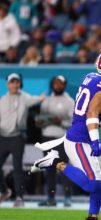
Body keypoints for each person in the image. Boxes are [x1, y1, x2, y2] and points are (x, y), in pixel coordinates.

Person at [31, 48, 101, 220]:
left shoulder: (92, 78)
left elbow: (98, 112)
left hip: (86, 134)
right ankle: (54, 162)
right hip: (80, 140)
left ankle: (93, 217)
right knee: (92, 184)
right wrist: (96, 141)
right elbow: (92, 114)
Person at [0, 73, 45, 207]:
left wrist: (42, 98)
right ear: (8, 84)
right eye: (12, 82)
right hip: (2, 137)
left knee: (17, 167)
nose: (15, 84)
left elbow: (35, 99)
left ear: (20, 83)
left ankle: (19, 197)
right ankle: (4, 191)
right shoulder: (2, 100)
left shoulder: (25, 97)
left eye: (17, 82)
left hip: (17, 138)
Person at [36, 75, 74, 207]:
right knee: (49, 170)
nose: (58, 85)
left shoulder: (69, 101)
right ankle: (51, 198)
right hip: (46, 137)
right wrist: (40, 121)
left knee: (63, 168)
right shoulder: (46, 100)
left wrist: (61, 121)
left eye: (61, 83)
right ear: (52, 84)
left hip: (61, 138)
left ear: (64, 85)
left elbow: (72, 122)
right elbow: (41, 120)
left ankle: (68, 198)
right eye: (56, 83)